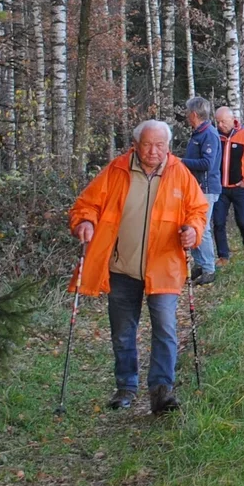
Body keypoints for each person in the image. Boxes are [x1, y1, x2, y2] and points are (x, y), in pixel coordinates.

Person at [68, 119, 210, 414]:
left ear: (168, 146)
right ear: (136, 144)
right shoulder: (117, 170)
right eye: (147, 144)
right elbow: (87, 203)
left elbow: (197, 210)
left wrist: (193, 231)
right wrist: (84, 221)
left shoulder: (180, 174)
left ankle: (161, 391)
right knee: (122, 330)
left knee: (166, 329)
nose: (153, 151)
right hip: (122, 267)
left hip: (164, 266)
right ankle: (125, 387)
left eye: (160, 145)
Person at [178, 97, 220, 286]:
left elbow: (207, 164)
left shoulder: (209, 134)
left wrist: (180, 162)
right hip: (194, 188)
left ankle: (209, 268)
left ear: (194, 114)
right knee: (191, 225)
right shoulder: (197, 134)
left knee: (201, 229)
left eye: (188, 113)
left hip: (206, 188)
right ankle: (200, 264)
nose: (187, 116)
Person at [211, 105, 244, 264]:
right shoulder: (214, 136)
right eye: (217, 122)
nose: (220, 125)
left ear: (232, 120)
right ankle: (223, 256)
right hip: (220, 188)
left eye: (223, 121)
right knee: (218, 222)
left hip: (241, 188)